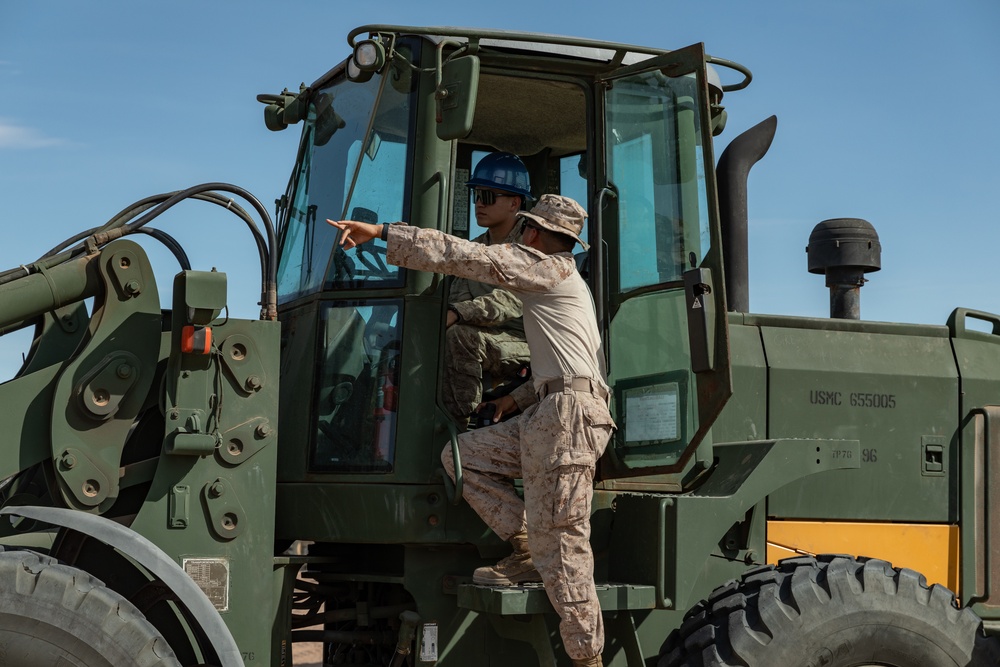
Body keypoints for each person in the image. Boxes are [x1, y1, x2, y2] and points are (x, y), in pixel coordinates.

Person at [328, 194, 615, 667]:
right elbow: (573, 367)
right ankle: (523, 545)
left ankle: (588, 660)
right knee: (464, 456)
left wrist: (382, 234)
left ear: (535, 233)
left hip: (566, 418)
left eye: (524, 227)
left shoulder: (545, 267)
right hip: (550, 410)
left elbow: (466, 255)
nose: (520, 234)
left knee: (562, 543)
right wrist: (515, 400)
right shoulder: (562, 283)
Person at [445, 152, 532, 427]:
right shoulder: (476, 248)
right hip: (489, 340)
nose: (479, 204)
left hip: (528, 343)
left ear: (514, 203)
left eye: (488, 196)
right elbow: (457, 294)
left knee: (461, 335)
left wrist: (458, 314)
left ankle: (462, 426)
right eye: (476, 196)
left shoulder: (531, 245)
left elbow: (512, 300)